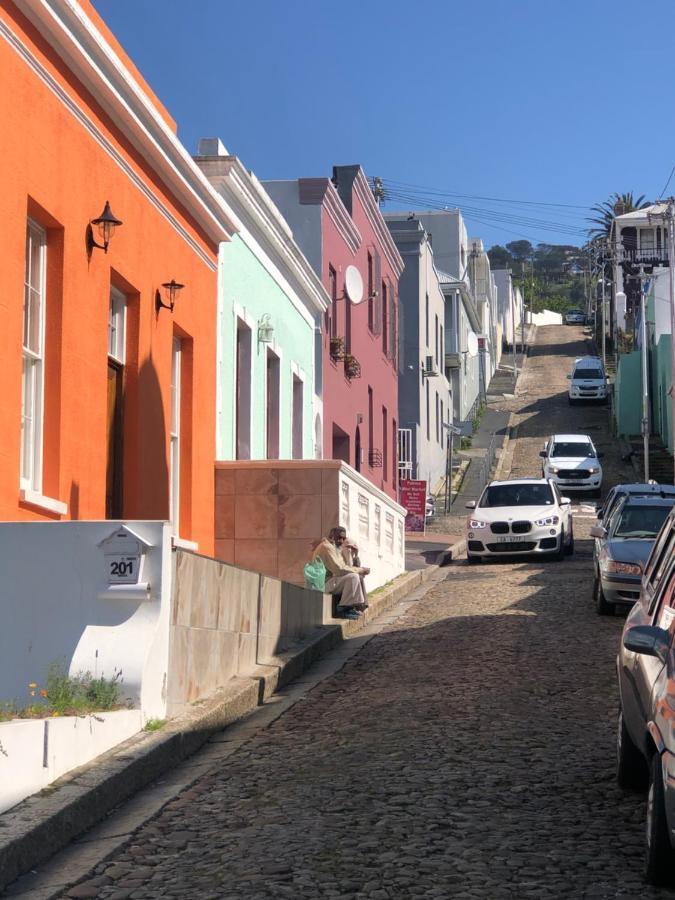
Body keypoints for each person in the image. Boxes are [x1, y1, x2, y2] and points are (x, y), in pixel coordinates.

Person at [312, 526, 370, 620]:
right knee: (353, 577)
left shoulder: (334, 547)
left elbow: (346, 567)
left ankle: (352, 607)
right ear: (331, 536)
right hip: (320, 585)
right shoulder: (327, 547)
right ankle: (343, 609)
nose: (341, 541)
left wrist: (354, 556)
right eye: (339, 538)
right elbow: (339, 570)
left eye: (343, 538)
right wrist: (360, 570)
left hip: (328, 582)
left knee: (357, 576)